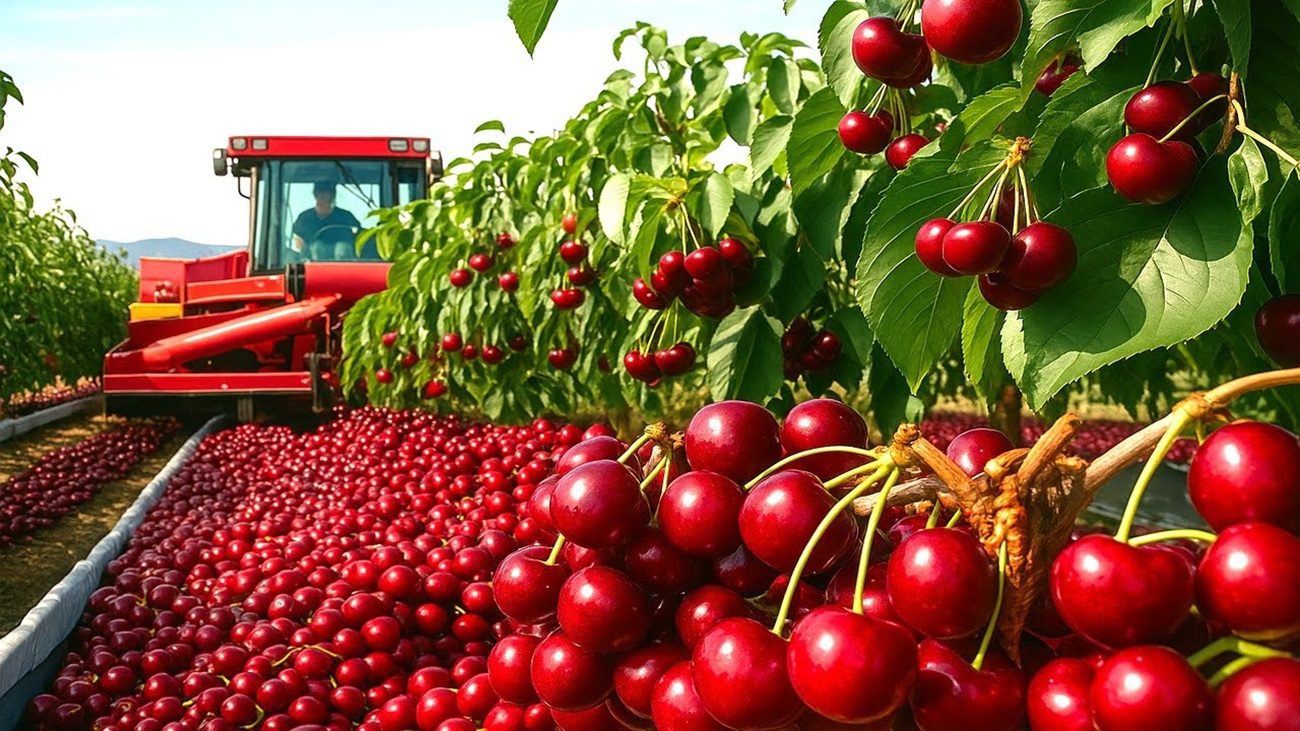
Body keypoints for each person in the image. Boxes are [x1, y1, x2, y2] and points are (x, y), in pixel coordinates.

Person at [291, 181, 362, 259]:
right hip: (311, 266)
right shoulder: (304, 219)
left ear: (333, 195)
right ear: (315, 194)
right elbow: (298, 242)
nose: (324, 195)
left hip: (347, 267)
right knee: (318, 247)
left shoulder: (347, 217)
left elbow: (359, 237)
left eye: (328, 192)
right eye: (321, 192)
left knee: (342, 248)